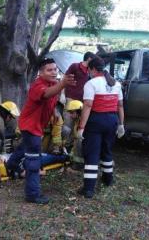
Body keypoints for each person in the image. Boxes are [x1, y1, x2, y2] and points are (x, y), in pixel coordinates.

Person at [10, 58, 76, 204]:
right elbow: (46, 94)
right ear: (40, 73)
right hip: (30, 127)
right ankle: (32, 195)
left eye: (55, 69)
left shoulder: (53, 84)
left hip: (35, 126)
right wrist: (62, 84)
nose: (53, 72)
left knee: (25, 150)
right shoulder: (38, 85)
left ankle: (11, 166)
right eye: (49, 70)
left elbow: (51, 100)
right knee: (33, 162)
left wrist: (52, 113)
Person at [77, 56, 125, 199]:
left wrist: (81, 127)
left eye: (89, 69)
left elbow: (88, 105)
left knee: (92, 153)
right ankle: (108, 179)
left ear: (92, 69)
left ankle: (89, 189)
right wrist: (121, 124)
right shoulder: (116, 83)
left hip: (96, 120)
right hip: (112, 120)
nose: (88, 72)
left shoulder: (91, 83)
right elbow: (120, 105)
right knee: (107, 150)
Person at [63, 52, 96, 137]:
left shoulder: (90, 71)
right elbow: (65, 78)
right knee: (68, 123)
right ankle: (62, 145)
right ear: (89, 59)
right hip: (71, 98)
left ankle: (70, 146)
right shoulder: (75, 66)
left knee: (77, 123)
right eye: (93, 60)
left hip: (82, 101)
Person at [63, 100, 84, 170]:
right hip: (80, 148)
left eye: (72, 112)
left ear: (78, 111)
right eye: (69, 112)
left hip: (87, 148)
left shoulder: (84, 122)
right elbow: (74, 139)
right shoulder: (77, 121)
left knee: (79, 140)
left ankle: (78, 165)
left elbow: (78, 140)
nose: (70, 115)